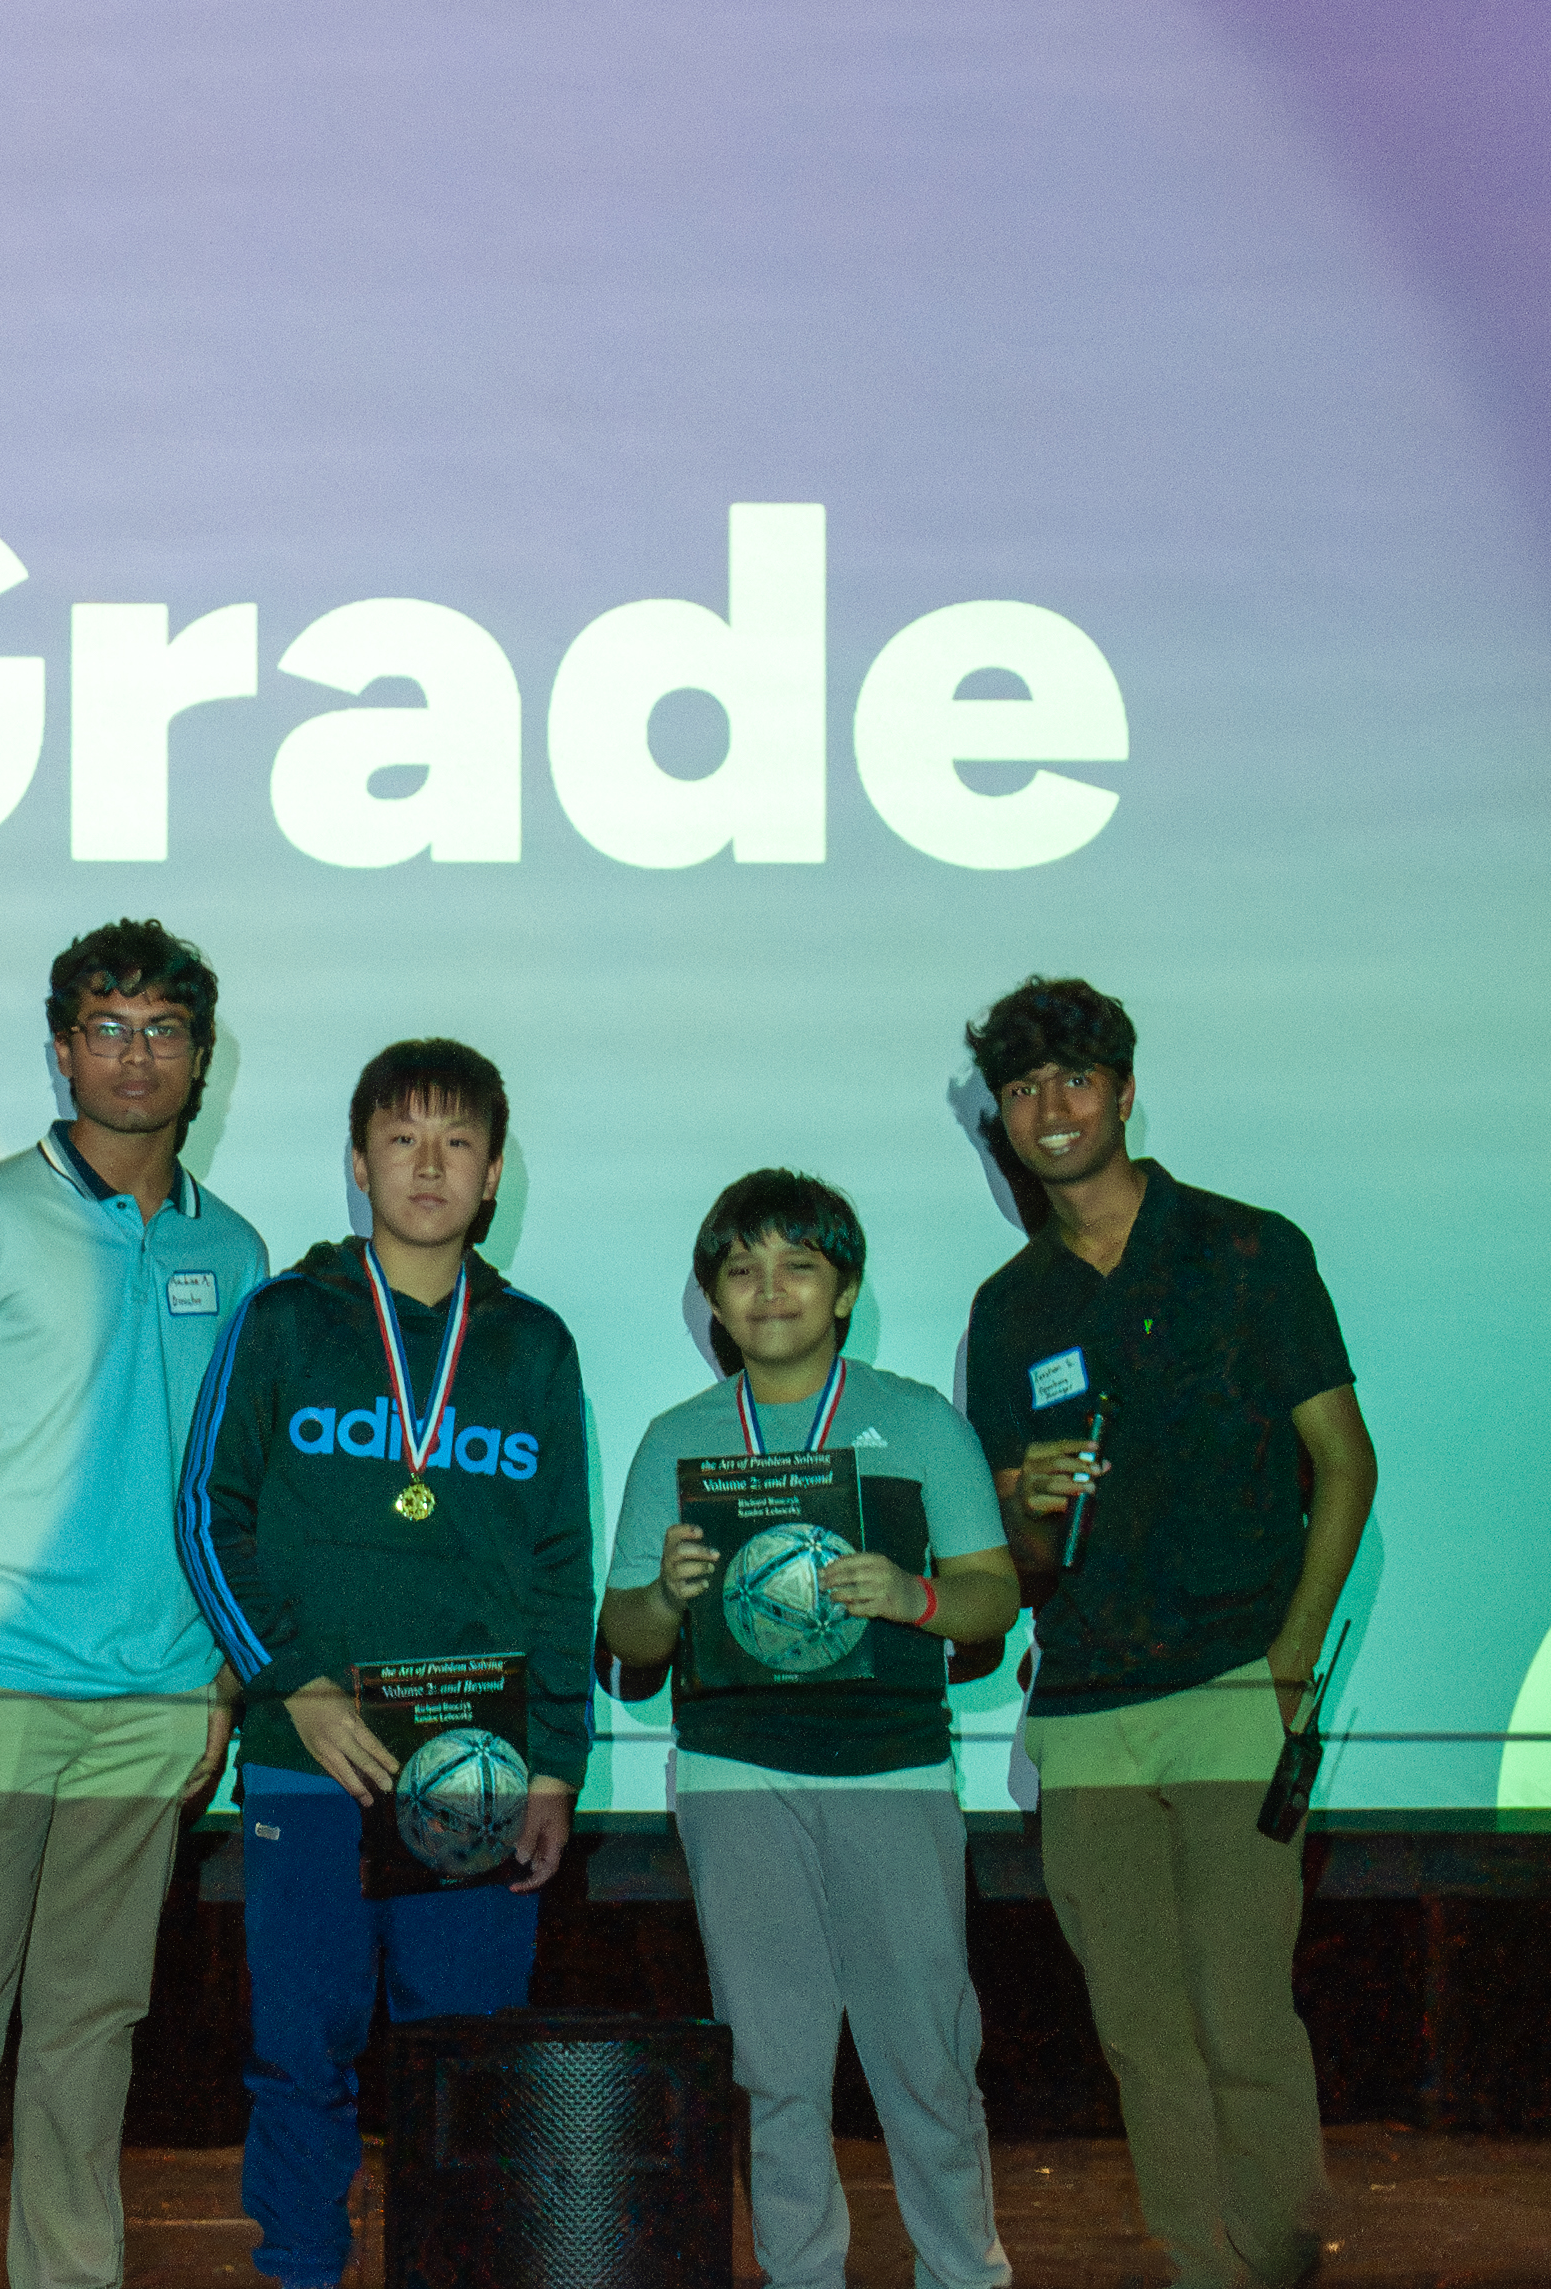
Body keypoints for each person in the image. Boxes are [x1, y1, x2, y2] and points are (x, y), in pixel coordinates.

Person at [0, 919, 268, 2289]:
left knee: (93, 2027)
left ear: (200, 1058)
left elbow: (233, 1483)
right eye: (107, 1028)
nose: (135, 1055)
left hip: (156, 1697)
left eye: (163, 1030)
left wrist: (220, 1675)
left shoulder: (235, 1248)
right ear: (62, 1051)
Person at [955, 978, 1375, 2289]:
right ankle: (1206, 2267)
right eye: (1021, 1089)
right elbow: (1023, 1563)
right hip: (1084, 1709)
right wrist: (1025, 1505)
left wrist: (1289, 1663)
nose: (1050, 1108)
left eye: (1074, 1078)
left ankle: (1278, 2259)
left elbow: (1345, 1463)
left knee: (1241, 2014)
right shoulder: (1009, 1306)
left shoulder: (1249, 1249)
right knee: (1141, 2034)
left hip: (1233, 1684)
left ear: (1126, 1091)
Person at [175, 1037, 593, 2289]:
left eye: (457, 1142)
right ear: (357, 1163)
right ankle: (302, 2263)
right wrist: (292, 1681)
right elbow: (206, 1514)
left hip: (475, 1762)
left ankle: (452, 2266)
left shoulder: (532, 1344)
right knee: (300, 2049)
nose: (428, 1164)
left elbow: (561, 1565)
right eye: (401, 1138)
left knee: (463, 2059)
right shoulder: (284, 1318)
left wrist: (557, 1763)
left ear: (493, 1172)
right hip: (309, 1752)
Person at [602, 1170, 1020, 2289]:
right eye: (742, 1269)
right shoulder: (677, 1439)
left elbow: (992, 1595)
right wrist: (667, 1594)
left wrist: (913, 1595)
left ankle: (963, 2274)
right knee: (771, 2068)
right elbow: (626, 1634)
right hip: (734, 1775)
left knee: (925, 2057)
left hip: (892, 1772)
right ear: (713, 1299)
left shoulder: (919, 1420)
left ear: (845, 1289)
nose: (770, 1288)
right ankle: (799, 2275)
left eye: (799, 1265)